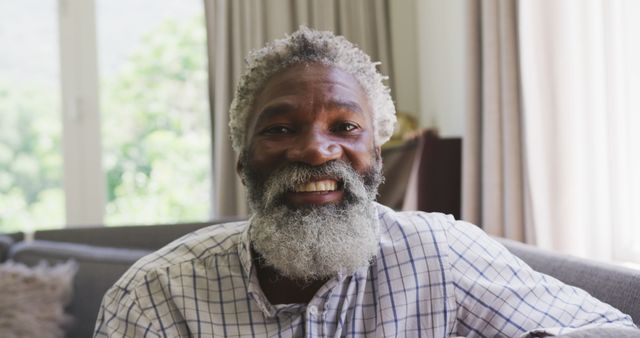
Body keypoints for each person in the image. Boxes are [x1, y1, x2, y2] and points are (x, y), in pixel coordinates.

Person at [94, 27, 637, 338]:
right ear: (243, 163)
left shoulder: (439, 254)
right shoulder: (156, 295)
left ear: (374, 159)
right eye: (281, 128)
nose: (314, 149)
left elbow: (611, 331)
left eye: (345, 127)